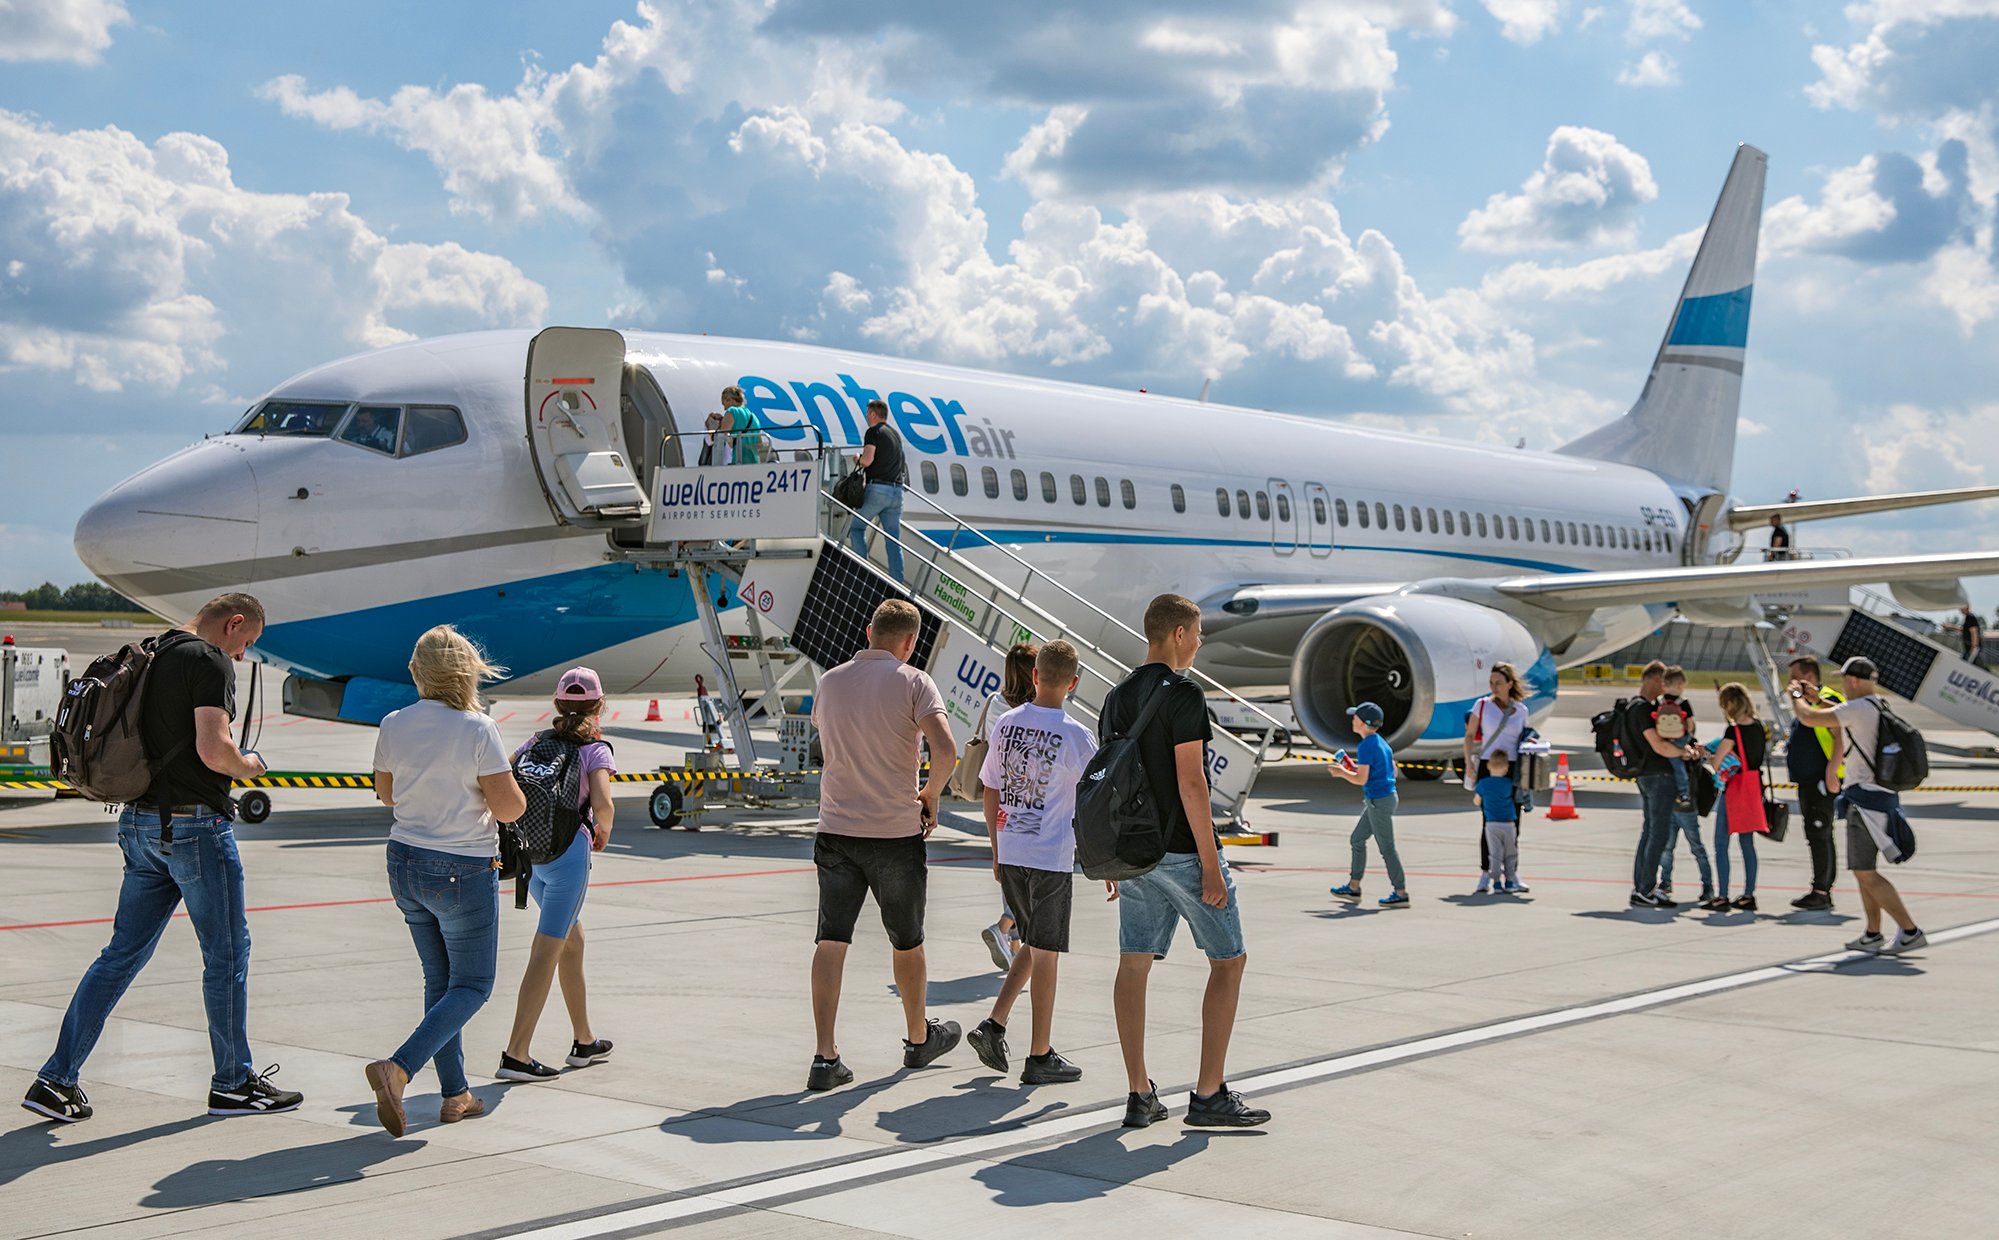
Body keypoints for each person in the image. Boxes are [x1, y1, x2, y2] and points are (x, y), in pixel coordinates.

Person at [21, 594, 300, 1125]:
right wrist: (251, 766)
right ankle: (234, 1082)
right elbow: (214, 750)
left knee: (120, 955)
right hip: (195, 828)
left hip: (139, 825)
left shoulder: (150, 652)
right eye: (246, 643)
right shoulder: (207, 660)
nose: (241, 655)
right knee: (226, 955)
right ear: (233, 623)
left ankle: (56, 1078)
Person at [1107, 594, 1270, 1128]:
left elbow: (1110, 781)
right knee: (1229, 961)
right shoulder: (1184, 694)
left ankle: (1139, 1092)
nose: (1199, 643)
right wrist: (1208, 862)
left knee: (1133, 964)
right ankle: (1208, 1093)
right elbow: (1192, 782)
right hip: (1180, 850)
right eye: (1196, 633)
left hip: (1133, 855)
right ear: (1177, 634)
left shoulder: (1117, 696)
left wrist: (1110, 856)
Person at [364, 626, 527, 1136]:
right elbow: (507, 807)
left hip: (405, 861)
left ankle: (456, 1094)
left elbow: (386, 795)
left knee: (441, 983)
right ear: (467, 672)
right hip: (460, 868)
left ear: (417, 672)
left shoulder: (393, 723)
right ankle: (401, 1067)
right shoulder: (477, 728)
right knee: (474, 985)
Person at [806, 599, 961, 1090]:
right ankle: (918, 1039)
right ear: (911, 642)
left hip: (835, 830)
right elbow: (947, 749)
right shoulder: (914, 681)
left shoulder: (829, 681)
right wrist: (930, 793)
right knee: (907, 940)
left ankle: (825, 1057)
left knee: (831, 940)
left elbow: (824, 737)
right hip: (893, 833)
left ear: (869, 631)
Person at [966, 641, 1097, 1085]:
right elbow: (1093, 804)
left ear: (1035, 676)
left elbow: (990, 790)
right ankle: (1040, 1054)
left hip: (1013, 850)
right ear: (1073, 684)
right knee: (1047, 954)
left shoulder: (1004, 724)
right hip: (1050, 856)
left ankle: (994, 1025)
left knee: (1035, 943)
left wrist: (996, 850)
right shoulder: (1078, 736)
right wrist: (1102, 863)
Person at [497, 668, 617, 1083]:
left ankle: (584, 1040)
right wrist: (604, 830)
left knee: (572, 940)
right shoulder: (595, 749)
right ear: (599, 706)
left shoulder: (536, 742)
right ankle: (516, 1053)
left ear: (557, 704)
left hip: (533, 857)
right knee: (547, 950)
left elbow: (505, 775)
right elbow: (602, 803)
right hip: (568, 857)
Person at [1791, 658, 1927, 955]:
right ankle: (1873, 933)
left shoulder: (1858, 709)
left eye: (1843, 680)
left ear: (1853, 681)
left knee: (1865, 871)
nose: (1841, 685)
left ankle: (1910, 930)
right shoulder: (1877, 704)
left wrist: (1798, 697)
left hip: (1865, 800)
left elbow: (1810, 718)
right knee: (1863, 870)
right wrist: (1816, 697)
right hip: (1875, 796)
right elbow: (1832, 709)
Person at [976, 643, 1037, 973]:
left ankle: (1012, 947)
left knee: (1011, 875)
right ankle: (1001, 928)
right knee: (1031, 883)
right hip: (1029, 804)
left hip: (1001, 803)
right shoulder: (1033, 711)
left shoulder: (995, 703)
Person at [1328, 702, 1409, 908]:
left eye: (1355, 717)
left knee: (1387, 848)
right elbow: (1391, 771)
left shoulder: (1366, 746)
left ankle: (1400, 892)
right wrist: (1349, 766)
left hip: (1378, 802)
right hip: (1384, 798)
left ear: (1364, 723)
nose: (1352, 719)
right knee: (1357, 839)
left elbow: (1361, 779)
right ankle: (1354, 886)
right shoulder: (1381, 743)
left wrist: (1341, 773)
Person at [1701, 683, 1768, 912]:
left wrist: (1711, 754)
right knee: (1747, 843)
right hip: (1754, 788)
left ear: (1730, 704)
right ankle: (1749, 894)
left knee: (1721, 842)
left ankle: (1722, 895)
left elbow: (1717, 762)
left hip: (1736, 789)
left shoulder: (1733, 732)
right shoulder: (1759, 727)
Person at [1784, 657, 1844, 911]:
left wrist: (1832, 771)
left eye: (1794, 677)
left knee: (1819, 833)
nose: (1789, 684)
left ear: (1808, 677)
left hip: (1821, 779)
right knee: (1818, 834)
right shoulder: (1807, 701)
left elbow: (1840, 732)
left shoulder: (1828, 699)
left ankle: (1821, 891)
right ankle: (1822, 886)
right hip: (1809, 780)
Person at [1461, 662, 1530, 877]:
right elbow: (1470, 736)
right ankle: (1486, 870)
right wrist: (1469, 763)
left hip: (1513, 768)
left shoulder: (1521, 710)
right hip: (1488, 766)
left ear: (1510, 683)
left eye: (1499, 683)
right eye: (1491, 683)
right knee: (1488, 821)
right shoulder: (1481, 705)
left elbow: (1523, 739)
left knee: (1514, 821)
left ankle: (1511, 872)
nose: (1494, 687)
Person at [1627, 660, 1683, 909]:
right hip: (1658, 776)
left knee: (1649, 832)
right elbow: (1658, 745)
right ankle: (1645, 888)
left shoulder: (1634, 707)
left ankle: (1642, 887)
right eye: (1663, 680)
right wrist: (1684, 753)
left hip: (1645, 776)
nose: (1665, 686)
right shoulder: (1642, 710)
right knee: (1658, 834)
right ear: (1653, 680)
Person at [1655, 666, 1713, 903]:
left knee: (1689, 846)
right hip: (1672, 801)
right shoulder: (1675, 708)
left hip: (1679, 803)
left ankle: (1705, 885)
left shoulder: (1666, 707)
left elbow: (1689, 730)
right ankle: (1668, 883)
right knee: (1673, 848)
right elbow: (1690, 727)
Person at [847, 398, 908, 582]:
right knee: (893, 540)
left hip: (879, 490)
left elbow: (867, 460)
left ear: (874, 414)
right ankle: (897, 583)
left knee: (856, 527)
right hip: (897, 492)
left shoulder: (873, 432)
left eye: (867, 413)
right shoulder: (895, 434)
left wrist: (857, 458)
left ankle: (862, 573)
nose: (866, 417)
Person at [1474, 751, 1527, 895]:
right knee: (1510, 854)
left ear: (1488, 766)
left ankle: (1496, 882)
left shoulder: (1483, 783)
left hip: (1491, 824)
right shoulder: (1510, 784)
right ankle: (1510, 881)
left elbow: (1476, 800)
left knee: (1495, 854)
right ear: (1507, 768)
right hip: (1509, 823)